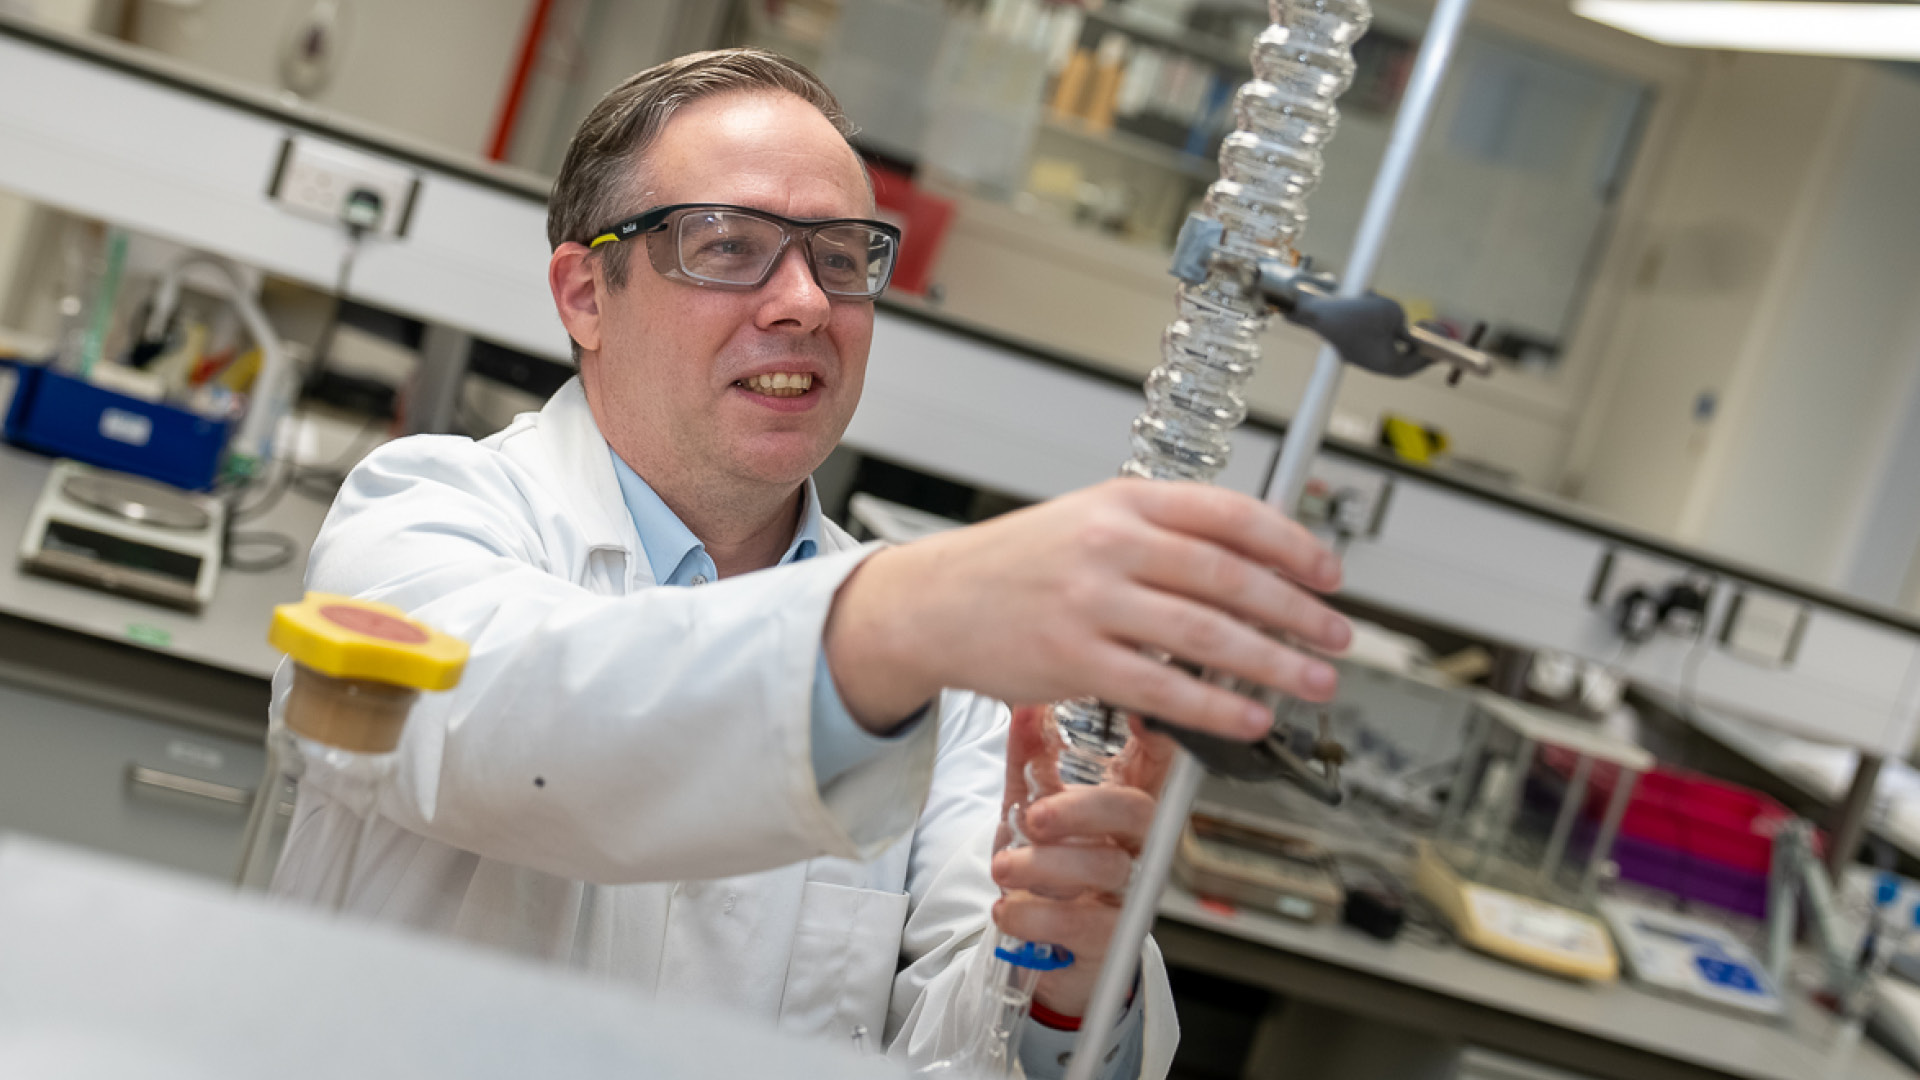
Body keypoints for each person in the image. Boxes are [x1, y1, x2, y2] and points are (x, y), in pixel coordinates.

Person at [271, 48, 1351, 1079]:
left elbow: (966, 1050)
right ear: (586, 296)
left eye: (840, 258)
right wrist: (912, 610)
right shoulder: (419, 516)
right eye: (728, 246)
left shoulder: (962, 692)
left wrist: (1068, 976)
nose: (803, 303)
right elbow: (513, 729)